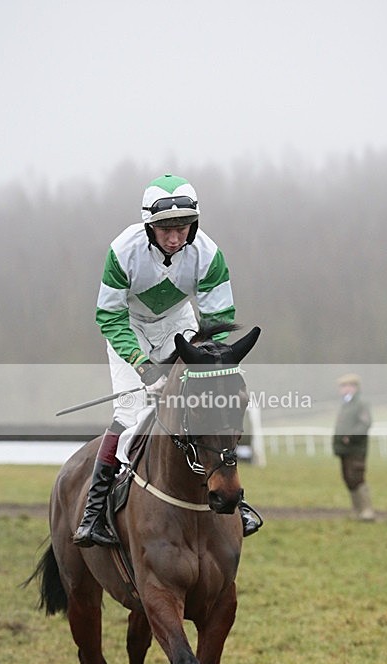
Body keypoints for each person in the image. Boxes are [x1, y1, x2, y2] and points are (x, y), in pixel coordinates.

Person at [73, 174, 262, 547]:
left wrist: (212, 364)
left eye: (182, 228)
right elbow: (109, 316)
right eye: (164, 230)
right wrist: (144, 368)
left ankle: (233, 501)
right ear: (149, 226)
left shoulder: (209, 254)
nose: (174, 238)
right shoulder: (122, 251)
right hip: (129, 328)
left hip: (180, 326)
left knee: (208, 405)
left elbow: (217, 318)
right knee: (131, 415)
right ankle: (93, 512)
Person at [332, 373, 375, 521]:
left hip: (356, 449)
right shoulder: (346, 404)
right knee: (349, 479)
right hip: (345, 450)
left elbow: (365, 424)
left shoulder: (360, 403)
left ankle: (367, 510)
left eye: (345, 386)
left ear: (354, 387)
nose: (342, 389)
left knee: (357, 477)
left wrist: (349, 437)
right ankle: (358, 511)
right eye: (341, 386)